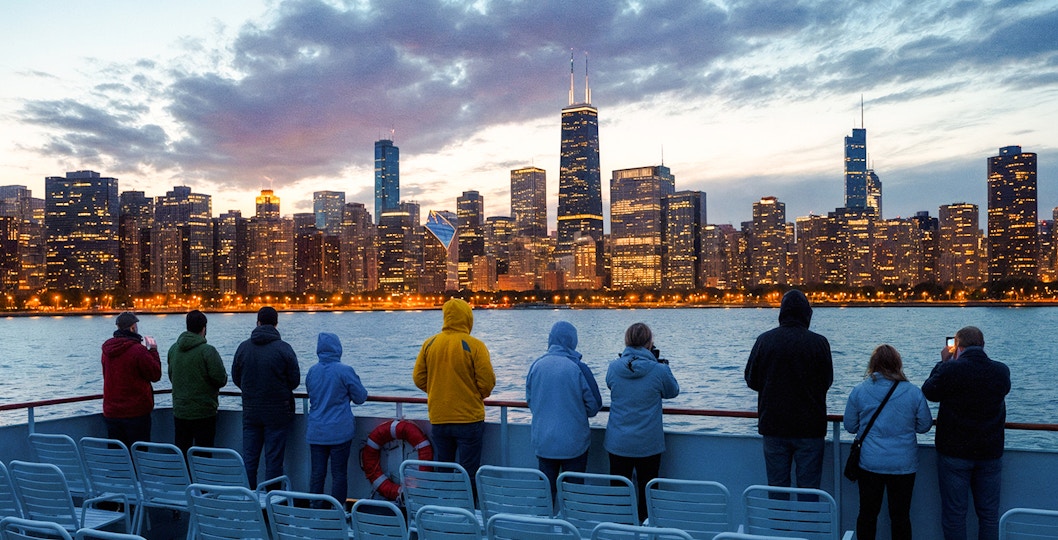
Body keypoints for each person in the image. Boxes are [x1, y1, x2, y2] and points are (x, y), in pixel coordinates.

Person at [922, 326, 1010, 540]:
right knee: (989, 515)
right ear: (983, 345)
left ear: (958, 347)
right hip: (990, 452)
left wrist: (944, 362)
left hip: (954, 452)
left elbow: (928, 391)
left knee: (955, 515)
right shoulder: (1001, 371)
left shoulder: (951, 370)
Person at [744, 289, 833, 491]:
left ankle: (779, 523)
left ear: (782, 313)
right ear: (807, 314)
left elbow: (751, 379)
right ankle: (806, 523)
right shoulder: (819, 343)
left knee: (777, 489)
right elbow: (827, 381)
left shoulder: (764, 341)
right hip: (811, 428)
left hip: (774, 426)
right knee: (809, 490)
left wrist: (771, 387)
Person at [844, 345, 933, 540]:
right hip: (903, 463)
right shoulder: (913, 392)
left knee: (867, 514)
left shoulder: (859, 390)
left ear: (873, 364)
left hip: (870, 462)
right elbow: (925, 425)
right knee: (900, 517)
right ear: (897, 364)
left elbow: (850, 426)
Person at [413, 298, 496, 488]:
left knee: (444, 469)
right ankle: (469, 512)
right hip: (469, 418)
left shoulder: (430, 343)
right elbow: (487, 382)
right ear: (468, 318)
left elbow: (418, 378)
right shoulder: (474, 345)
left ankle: (445, 508)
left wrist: (437, 389)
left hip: (440, 417)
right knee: (469, 471)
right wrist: (475, 395)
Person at [604, 322, 680, 522]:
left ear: (627, 341)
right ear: (650, 343)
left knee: (620, 496)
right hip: (648, 443)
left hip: (618, 441)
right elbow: (673, 392)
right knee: (648, 494)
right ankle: (646, 530)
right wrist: (664, 367)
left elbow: (611, 385)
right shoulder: (658, 370)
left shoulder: (613, 368)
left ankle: (622, 531)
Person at [526, 321, 602, 495]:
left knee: (545, 494)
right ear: (572, 341)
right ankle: (571, 521)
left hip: (543, 441)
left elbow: (531, 401)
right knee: (573, 495)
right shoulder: (578, 367)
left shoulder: (536, 366)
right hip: (574, 443)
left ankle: (546, 520)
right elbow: (594, 406)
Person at [232, 306, 300, 486]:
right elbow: (294, 381)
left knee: (249, 460)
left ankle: (249, 501)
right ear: (276, 324)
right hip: (278, 413)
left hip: (251, 411)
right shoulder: (284, 348)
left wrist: (251, 391)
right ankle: (271, 503)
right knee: (274, 461)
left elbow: (236, 378)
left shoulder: (243, 348)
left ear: (258, 323)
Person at [306, 332, 368, 506]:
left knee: (317, 474)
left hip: (316, 431)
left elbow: (312, 395)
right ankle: (337, 511)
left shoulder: (312, 371)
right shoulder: (344, 371)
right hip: (339, 431)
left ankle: (314, 510)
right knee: (339, 474)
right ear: (338, 348)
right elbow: (360, 397)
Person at [167, 310, 228, 455]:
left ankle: (185, 478)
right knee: (203, 454)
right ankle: (201, 478)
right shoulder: (207, 351)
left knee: (182, 453)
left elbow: (172, 376)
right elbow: (220, 379)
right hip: (204, 412)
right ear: (204, 328)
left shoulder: (173, 349)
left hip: (180, 411)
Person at [101, 311, 162, 448]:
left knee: (119, 457)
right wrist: (153, 350)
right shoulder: (138, 350)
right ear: (133, 327)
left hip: (112, 412)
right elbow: (155, 374)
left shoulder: (106, 351)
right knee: (139, 455)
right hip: (136, 412)